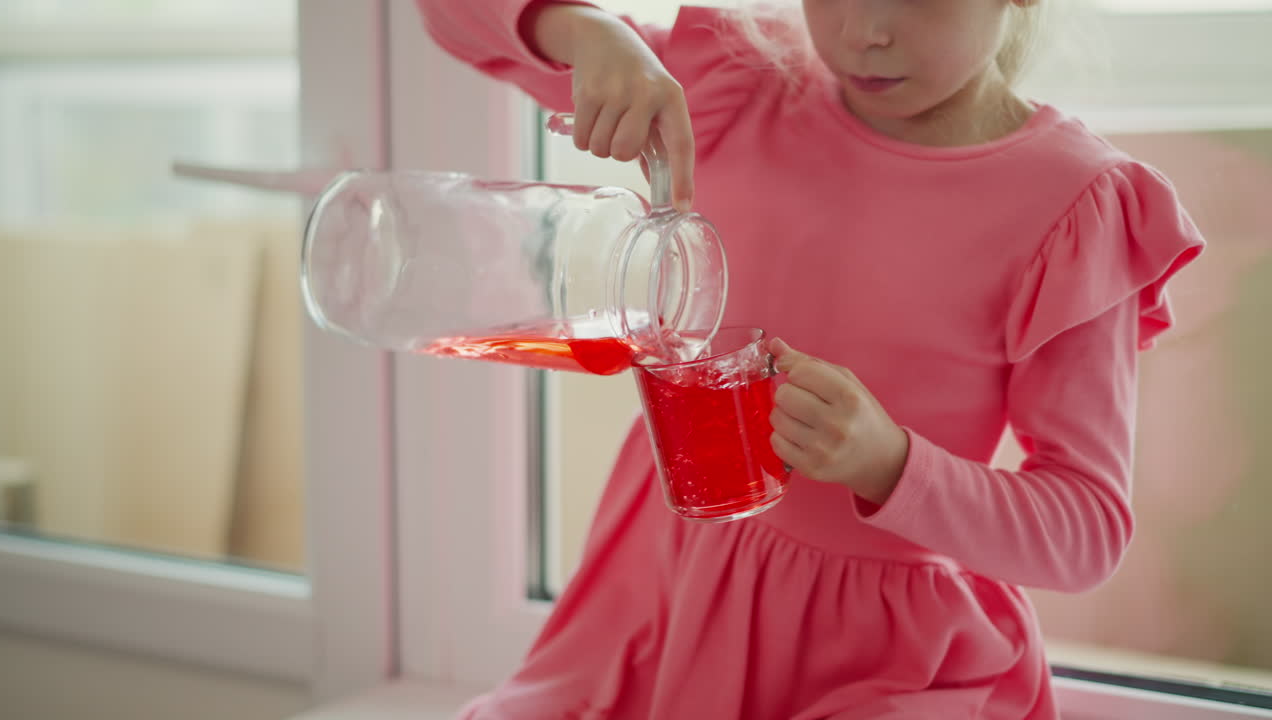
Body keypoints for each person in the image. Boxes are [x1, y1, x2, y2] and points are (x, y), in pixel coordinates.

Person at [413, 1, 1206, 718]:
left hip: (885, 664)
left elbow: (1086, 530)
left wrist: (891, 464)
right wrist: (587, 32)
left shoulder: (1070, 205)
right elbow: (448, 16)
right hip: (659, 603)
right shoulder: (739, 78)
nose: (865, 31)